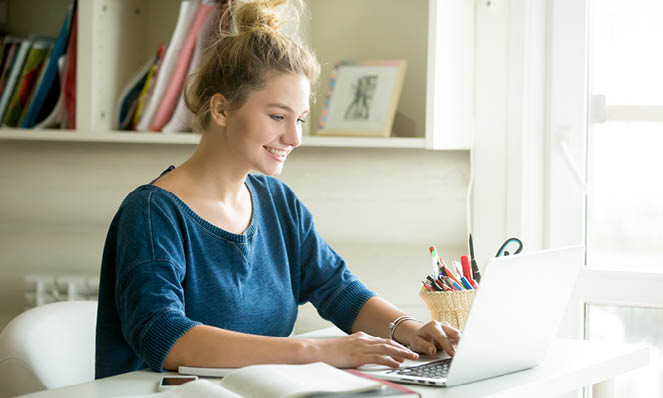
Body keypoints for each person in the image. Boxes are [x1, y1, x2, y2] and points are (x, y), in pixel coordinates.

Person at [95, 0, 460, 380]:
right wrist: (315, 351)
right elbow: (163, 336)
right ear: (220, 110)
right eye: (277, 116)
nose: (295, 137)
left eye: (300, 119)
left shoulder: (277, 202)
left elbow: (337, 289)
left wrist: (408, 329)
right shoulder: (153, 212)